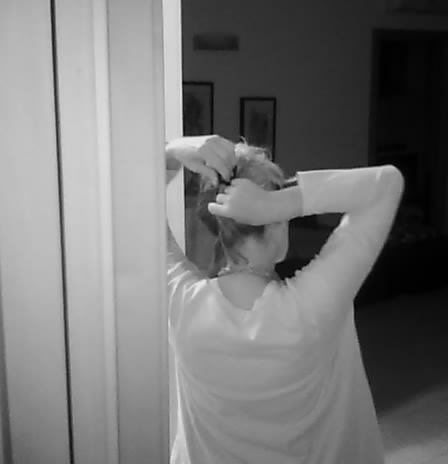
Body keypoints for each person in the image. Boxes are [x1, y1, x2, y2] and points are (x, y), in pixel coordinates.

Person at [165, 134, 404, 464]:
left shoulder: (182, 303)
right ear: (275, 222)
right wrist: (279, 204)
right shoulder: (313, 305)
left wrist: (173, 151)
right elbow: (387, 183)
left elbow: (132, 202)